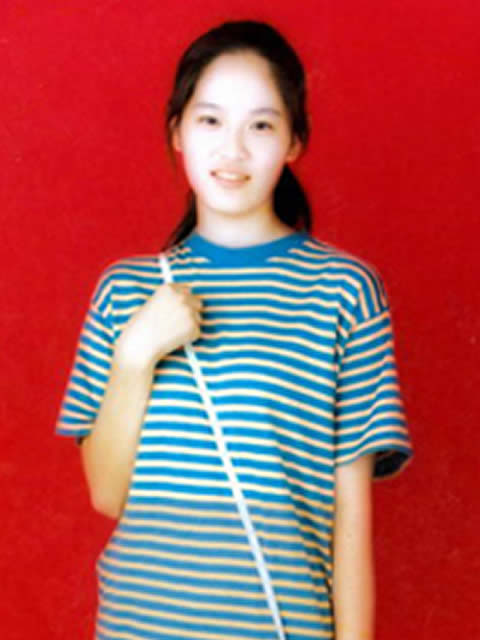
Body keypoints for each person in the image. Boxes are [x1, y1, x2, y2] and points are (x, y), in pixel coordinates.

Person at [55, 19, 414, 640]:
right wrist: (136, 355)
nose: (233, 150)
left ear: (294, 142)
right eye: (211, 120)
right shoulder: (124, 291)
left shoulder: (344, 290)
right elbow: (107, 495)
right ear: (178, 131)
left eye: (261, 126)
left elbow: (352, 517)